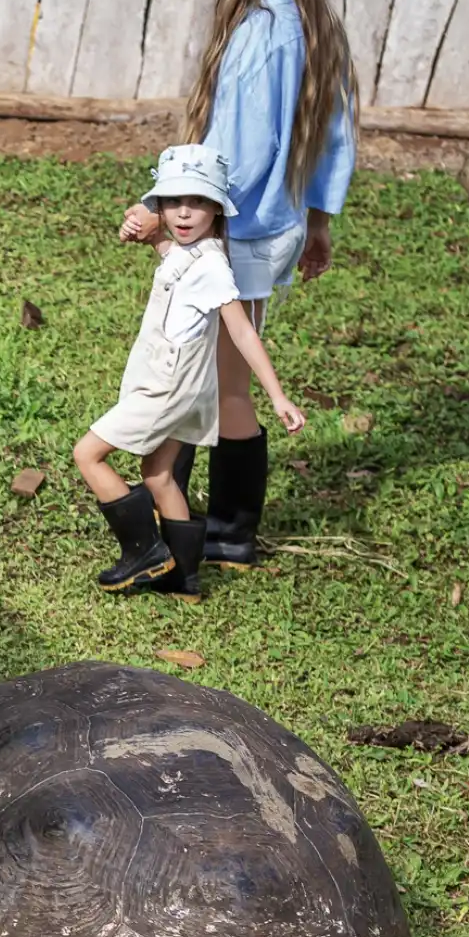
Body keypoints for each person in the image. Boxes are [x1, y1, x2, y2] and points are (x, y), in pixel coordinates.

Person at [123, 0, 357, 564]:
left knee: (222, 380)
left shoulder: (261, 33)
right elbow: (333, 137)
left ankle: (226, 531)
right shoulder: (311, 22)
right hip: (277, 220)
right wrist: (318, 222)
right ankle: (189, 509)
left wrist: (165, 202)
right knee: (208, 368)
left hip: (244, 227)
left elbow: (242, 151)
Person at [74, 145, 305, 598]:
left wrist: (277, 396)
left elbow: (243, 333)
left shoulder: (213, 267)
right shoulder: (191, 250)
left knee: (87, 455)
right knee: (158, 474)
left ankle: (144, 551)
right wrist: (143, 235)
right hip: (185, 388)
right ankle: (184, 578)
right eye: (173, 201)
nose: (183, 212)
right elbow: (168, 256)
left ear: (217, 209)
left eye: (198, 201)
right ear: (160, 206)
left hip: (167, 387)